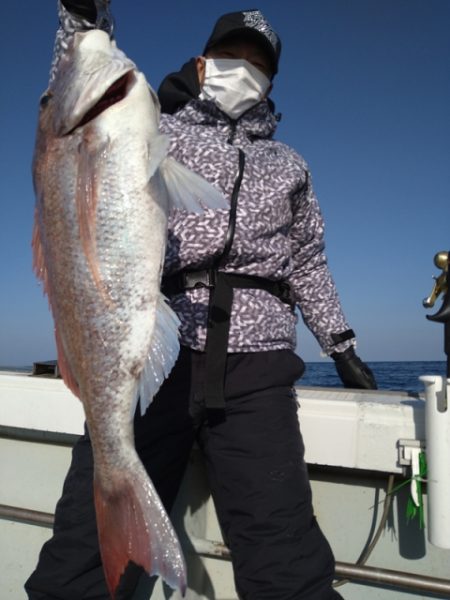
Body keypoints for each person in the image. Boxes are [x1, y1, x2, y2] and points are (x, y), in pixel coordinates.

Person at [26, 2, 377, 599]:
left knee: (285, 556)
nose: (244, 69)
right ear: (201, 62)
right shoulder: (152, 123)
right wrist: (84, 20)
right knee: (80, 555)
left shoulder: (289, 164)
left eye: (258, 63)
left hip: (256, 367)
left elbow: (308, 261)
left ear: (271, 80)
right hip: (155, 350)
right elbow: (76, 90)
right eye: (231, 55)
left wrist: (340, 345)